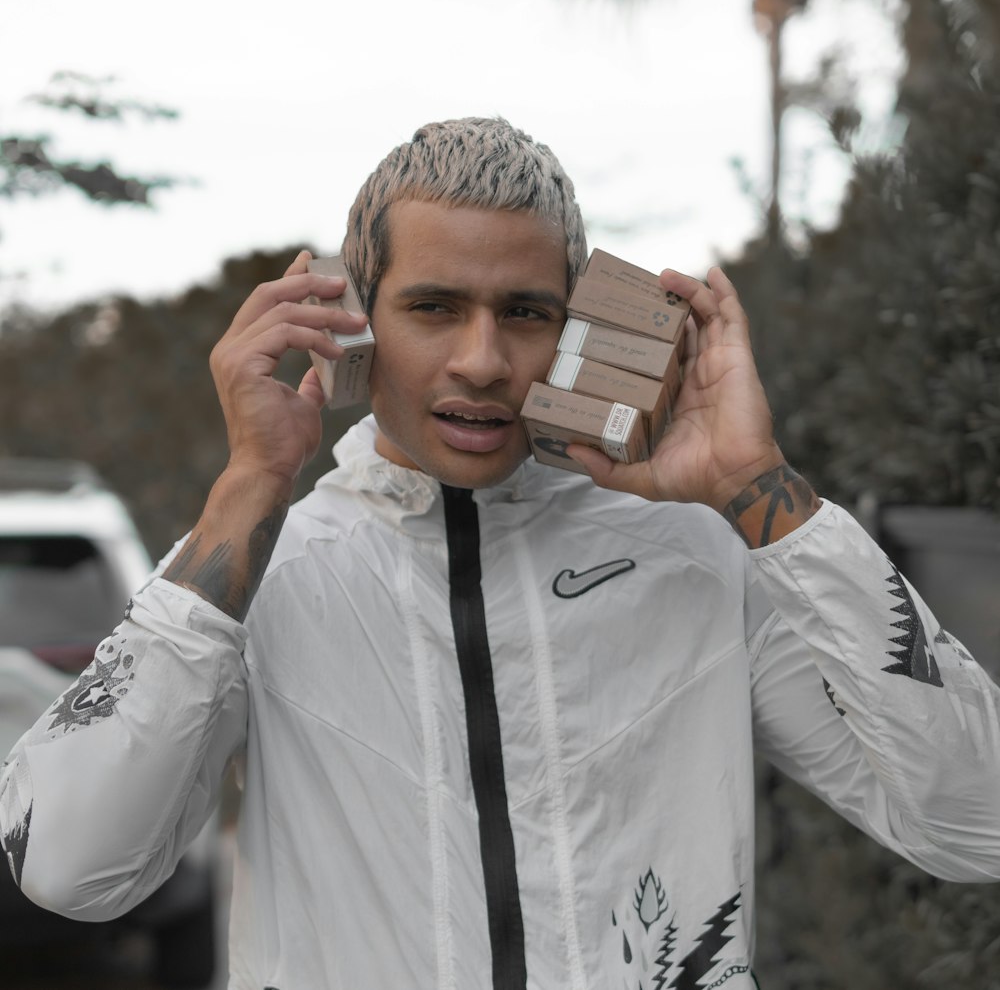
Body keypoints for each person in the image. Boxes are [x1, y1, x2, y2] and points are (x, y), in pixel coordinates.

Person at [2, 116, 999, 990]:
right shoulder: (258, 570)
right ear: (354, 326)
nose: (481, 359)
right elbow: (69, 863)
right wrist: (249, 489)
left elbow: (974, 821)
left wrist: (761, 492)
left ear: (577, 328)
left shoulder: (699, 558)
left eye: (525, 311)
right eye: (433, 306)